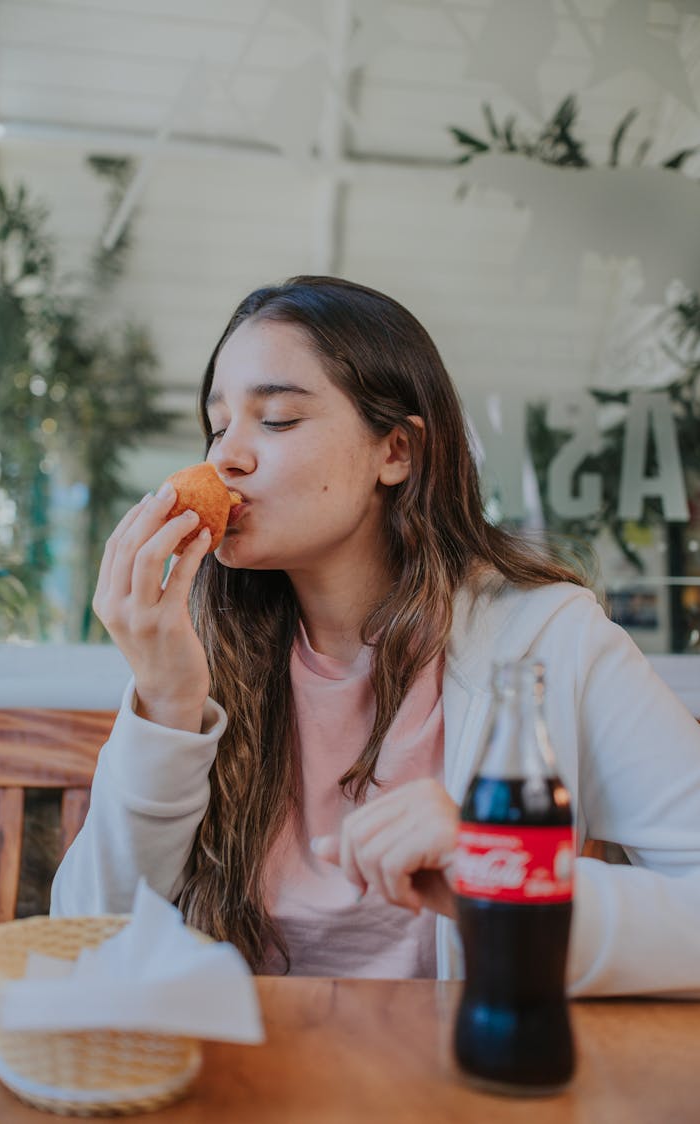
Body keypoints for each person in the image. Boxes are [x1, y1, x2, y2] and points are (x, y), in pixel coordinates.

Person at [51, 275, 700, 995]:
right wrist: (165, 704)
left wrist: (496, 865)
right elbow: (84, 945)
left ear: (397, 452)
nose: (224, 458)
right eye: (218, 424)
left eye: (277, 420)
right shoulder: (200, 650)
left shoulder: (549, 640)